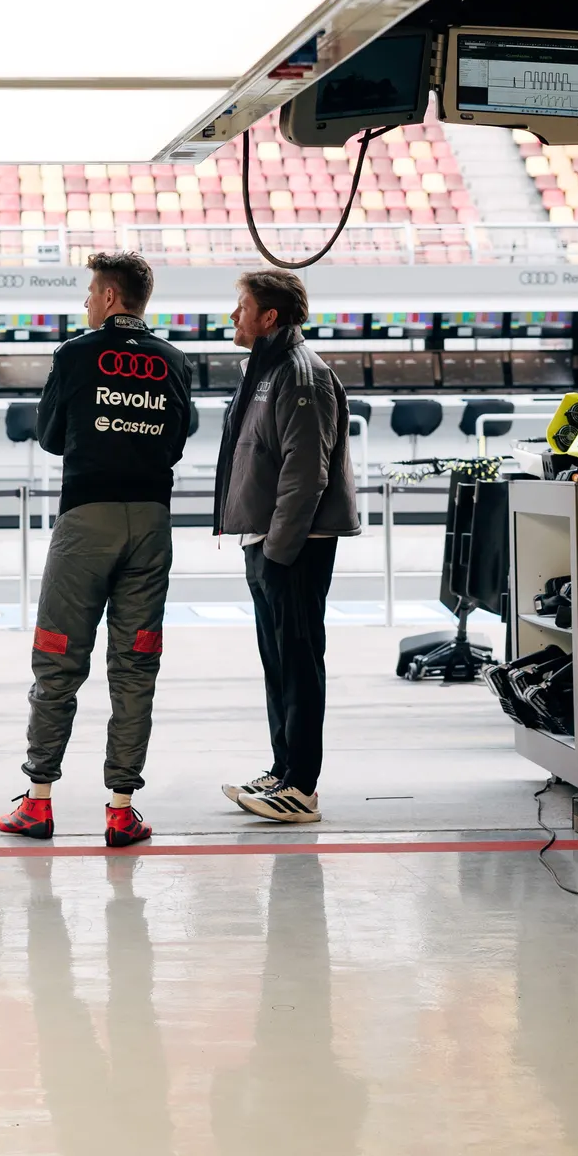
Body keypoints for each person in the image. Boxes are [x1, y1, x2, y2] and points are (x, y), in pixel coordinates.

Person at [0, 250, 192, 849]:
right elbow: (179, 440)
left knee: (58, 658)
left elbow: (51, 437)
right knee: (135, 664)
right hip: (153, 524)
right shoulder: (175, 360)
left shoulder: (76, 353)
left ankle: (38, 803)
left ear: (109, 298)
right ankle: (121, 808)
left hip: (86, 522)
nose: (86, 302)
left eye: (89, 294)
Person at [214, 265, 358, 824]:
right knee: (277, 662)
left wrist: (277, 549)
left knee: (298, 662)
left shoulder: (301, 374)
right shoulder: (267, 368)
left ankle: (301, 787)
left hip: (294, 544)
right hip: (266, 540)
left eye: (242, 306)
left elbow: (306, 473)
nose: (234, 316)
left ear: (269, 316)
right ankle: (282, 771)